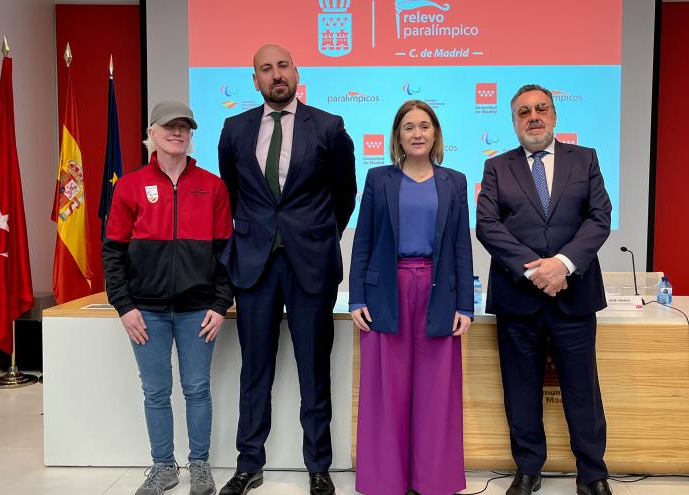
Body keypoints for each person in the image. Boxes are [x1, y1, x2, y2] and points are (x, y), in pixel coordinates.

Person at [216, 43, 356, 495]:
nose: (276, 74)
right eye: (265, 68)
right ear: (254, 79)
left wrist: (317, 235)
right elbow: (235, 193)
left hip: (310, 266)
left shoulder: (330, 127)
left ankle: (318, 465)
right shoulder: (234, 129)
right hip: (254, 268)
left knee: (314, 369)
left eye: (283, 66)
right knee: (254, 370)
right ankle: (248, 463)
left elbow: (344, 195)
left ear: (296, 72)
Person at [476, 84, 613, 495]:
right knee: (520, 389)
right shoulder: (498, 167)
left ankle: (592, 474)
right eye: (523, 112)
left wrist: (564, 265)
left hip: (575, 294)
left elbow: (599, 217)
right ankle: (528, 469)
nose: (533, 117)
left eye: (541, 109)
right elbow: (488, 224)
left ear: (554, 116)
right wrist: (534, 270)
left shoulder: (584, 159)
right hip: (519, 297)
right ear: (514, 122)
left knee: (582, 389)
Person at [102, 101, 234, 495]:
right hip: (146, 312)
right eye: (169, 127)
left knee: (197, 389)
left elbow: (227, 252)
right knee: (155, 391)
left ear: (191, 136)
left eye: (184, 128)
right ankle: (163, 467)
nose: (177, 133)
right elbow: (112, 251)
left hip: (199, 310)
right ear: (152, 134)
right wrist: (124, 306)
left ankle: (199, 466)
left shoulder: (212, 186)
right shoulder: (129, 185)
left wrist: (219, 302)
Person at [348, 99, 473, 495]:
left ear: (435, 133)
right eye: (408, 127)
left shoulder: (454, 181)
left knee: (437, 392)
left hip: (439, 292)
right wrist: (356, 299)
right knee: (387, 389)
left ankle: (432, 481)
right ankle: (386, 481)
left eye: (424, 126)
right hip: (388, 289)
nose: (417, 133)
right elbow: (363, 240)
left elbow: (460, 246)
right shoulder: (378, 179)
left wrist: (465, 305)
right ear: (397, 136)